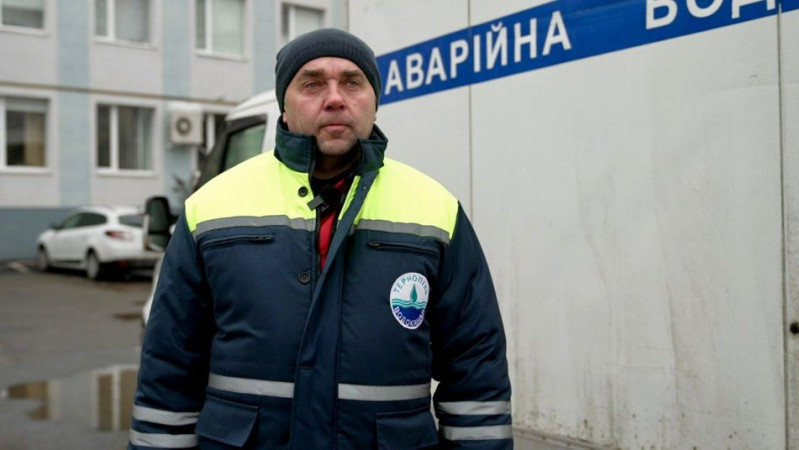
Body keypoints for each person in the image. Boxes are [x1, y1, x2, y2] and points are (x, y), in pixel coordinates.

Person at [129, 28, 512, 449]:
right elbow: (169, 366)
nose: (334, 98)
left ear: (374, 102)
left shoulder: (436, 209)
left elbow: (475, 364)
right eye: (312, 84)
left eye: (352, 82)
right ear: (284, 106)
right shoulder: (211, 206)